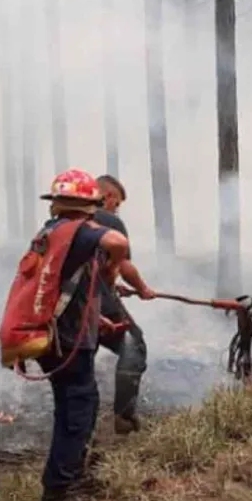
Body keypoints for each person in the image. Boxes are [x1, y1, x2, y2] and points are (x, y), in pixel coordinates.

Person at [34, 169, 130, 501]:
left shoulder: (50, 232)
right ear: (88, 204)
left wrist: (96, 317)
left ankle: (73, 474)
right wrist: (111, 272)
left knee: (78, 406)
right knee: (76, 413)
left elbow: (66, 287)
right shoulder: (78, 230)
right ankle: (56, 498)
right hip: (69, 340)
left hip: (58, 335)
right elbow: (117, 244)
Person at [92, 174, 156, 434]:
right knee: (134, 345)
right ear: (106, 196)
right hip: (95, 301)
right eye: (116, 203)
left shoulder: (67, 222)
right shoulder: (109, 221)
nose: (116, 209)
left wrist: (111, 283)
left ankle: (82, 428)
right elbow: (125, 264)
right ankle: (124, 417)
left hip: (67, 305)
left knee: (82, 359)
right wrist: (143, 289)